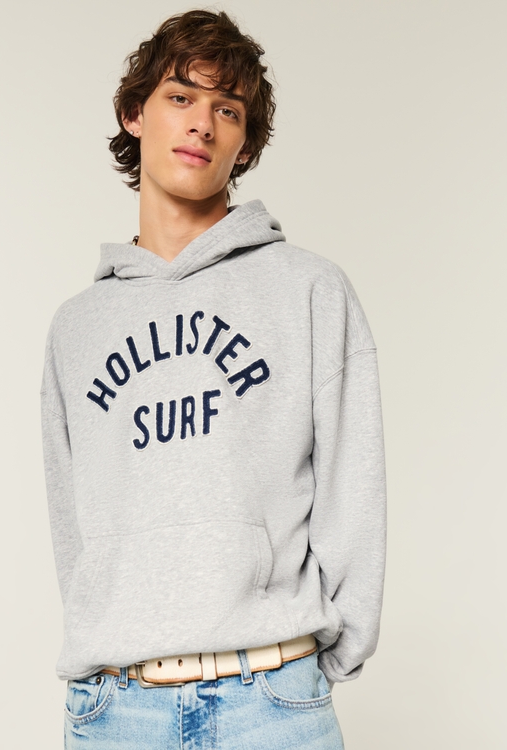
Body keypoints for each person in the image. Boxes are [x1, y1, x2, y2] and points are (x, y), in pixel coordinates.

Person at [40, 9, 386, 749]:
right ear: (135, 114)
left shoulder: (309, 290)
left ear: (244, 143)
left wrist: (321, 665)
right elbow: (75, 530)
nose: (201, 122)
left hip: (271, 701)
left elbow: (353, 489)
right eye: (180, 97)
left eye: (227, 110)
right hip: (116, 712)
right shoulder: (77, 327)